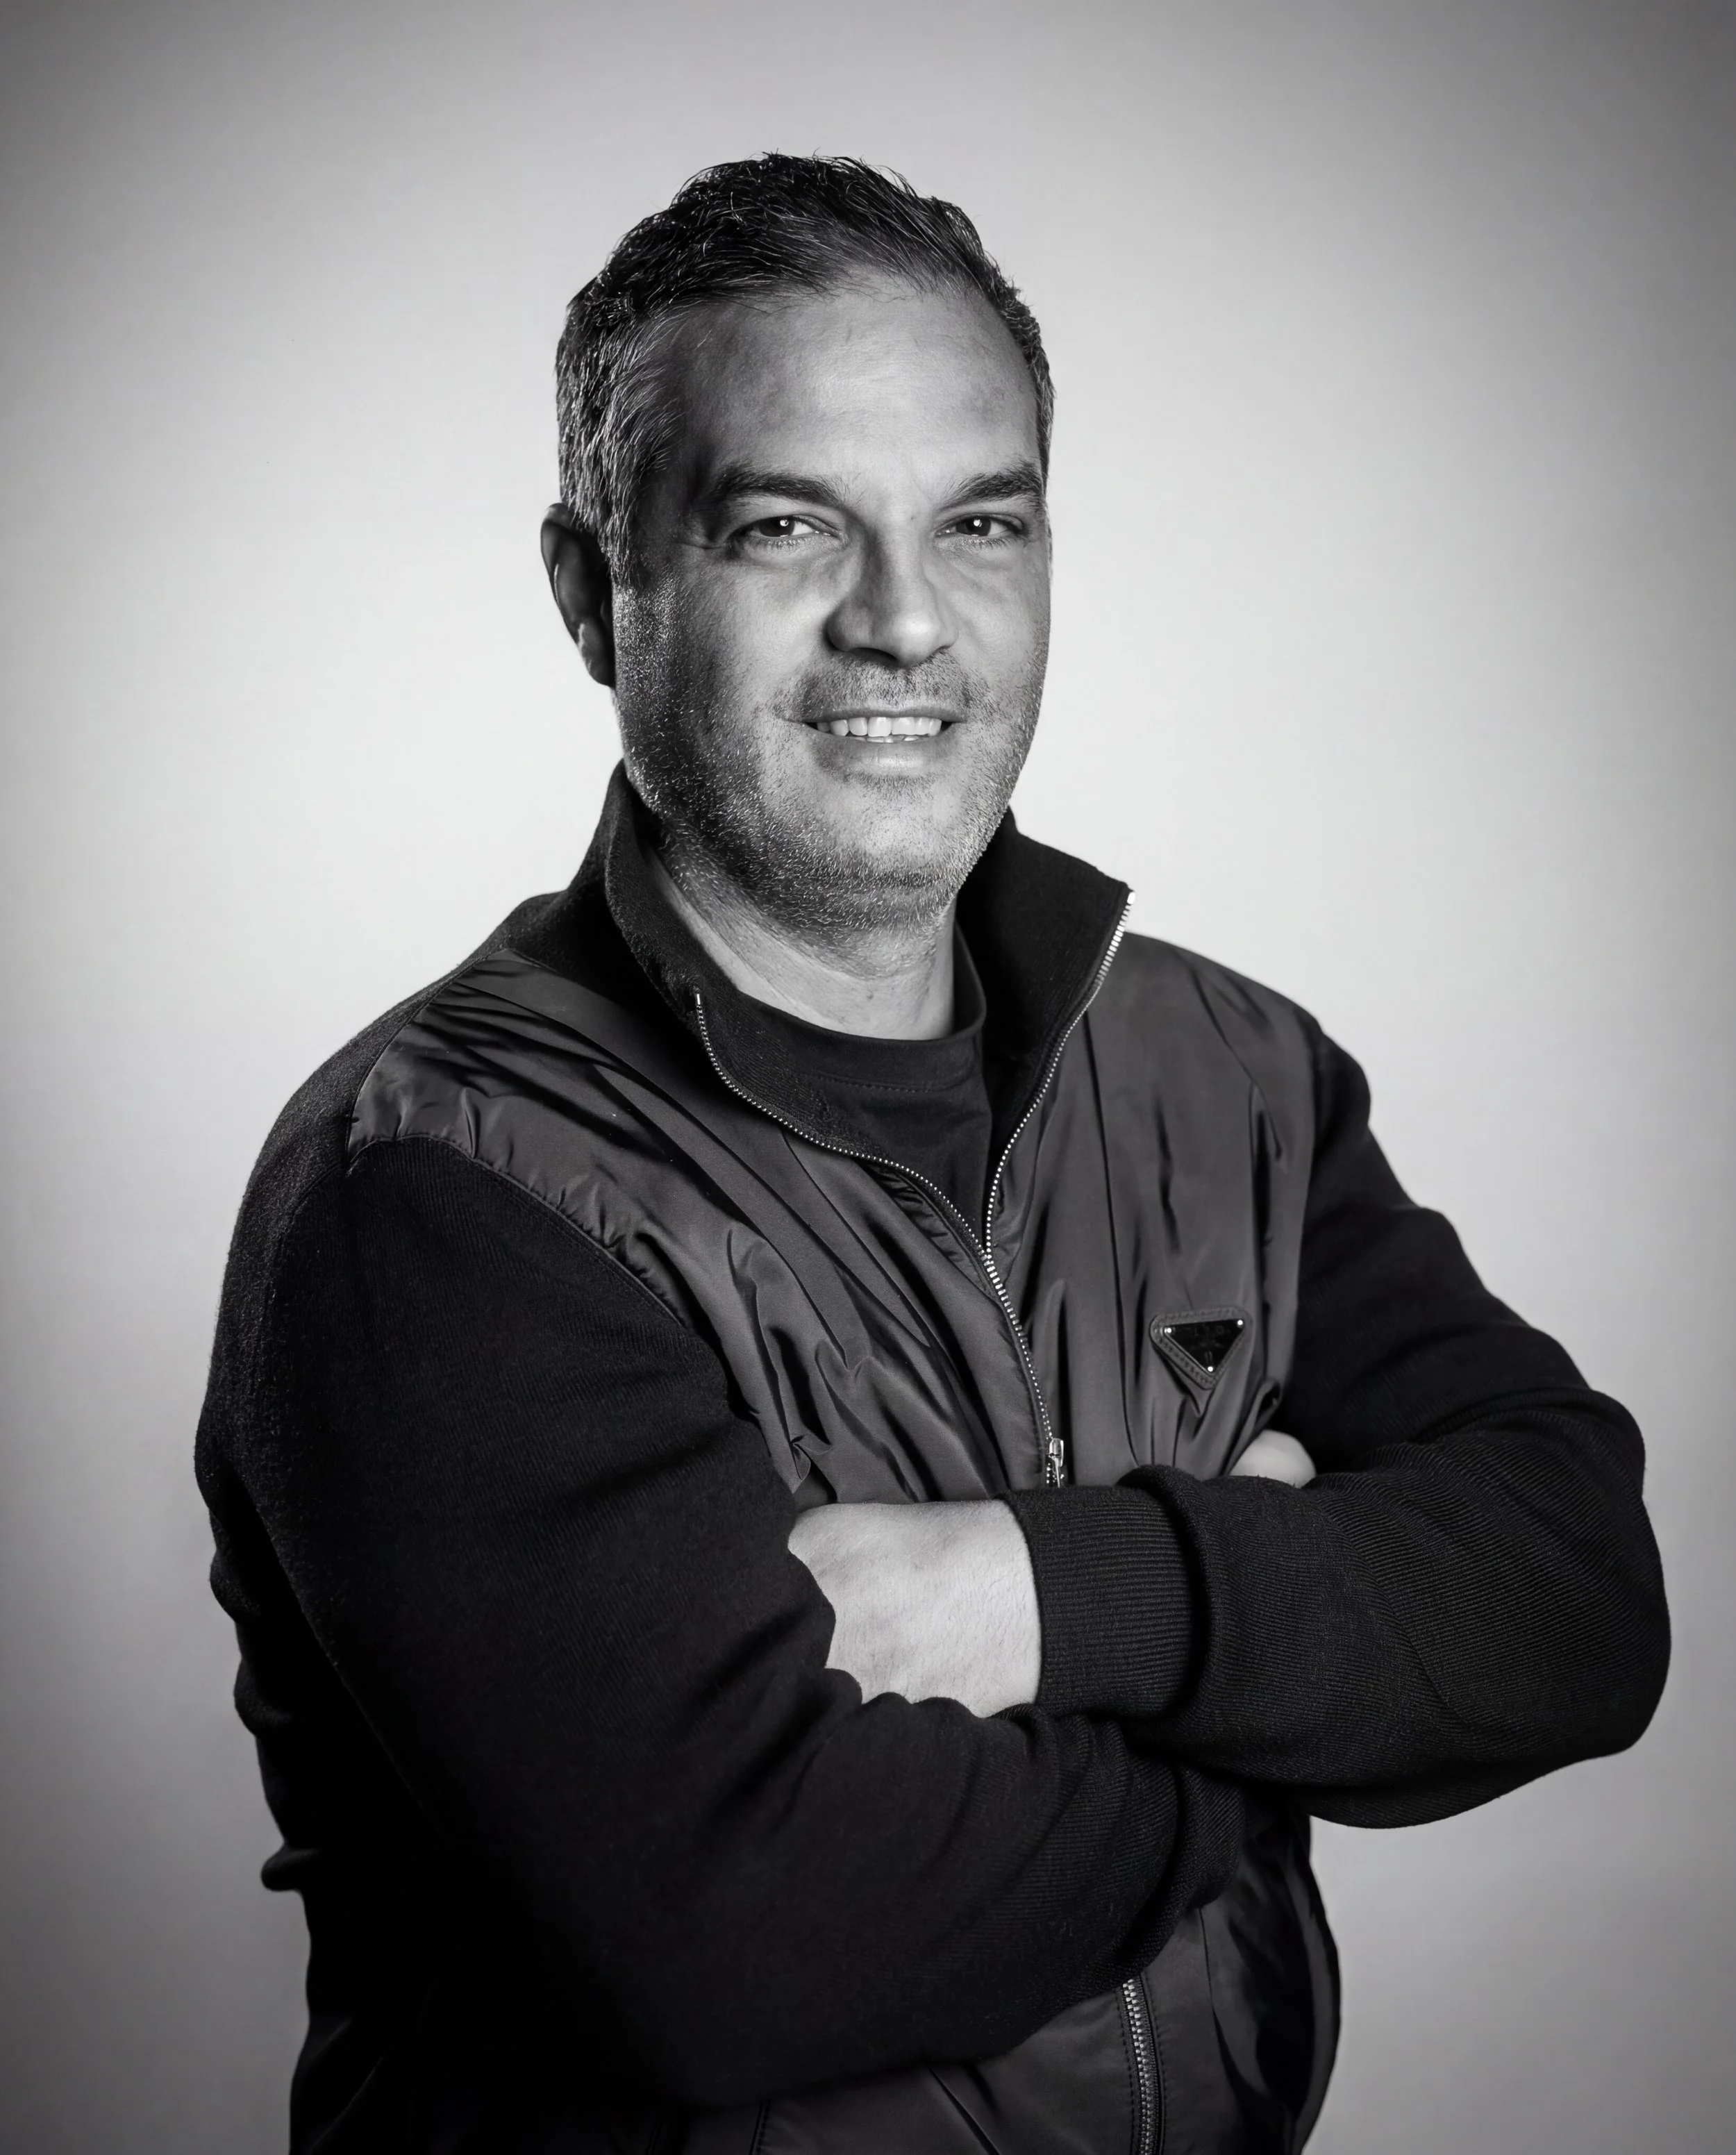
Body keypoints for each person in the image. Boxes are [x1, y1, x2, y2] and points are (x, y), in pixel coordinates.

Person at [197, 154, 1669, 2154]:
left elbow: (1575, 1601)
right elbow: (752, 1940)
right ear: (590, 591)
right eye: (788, 524)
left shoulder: (1224, 1072)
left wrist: (1042, 1600)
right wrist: (1294, 1685)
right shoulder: (434, 1190)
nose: (903, 621)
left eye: (978, 522)